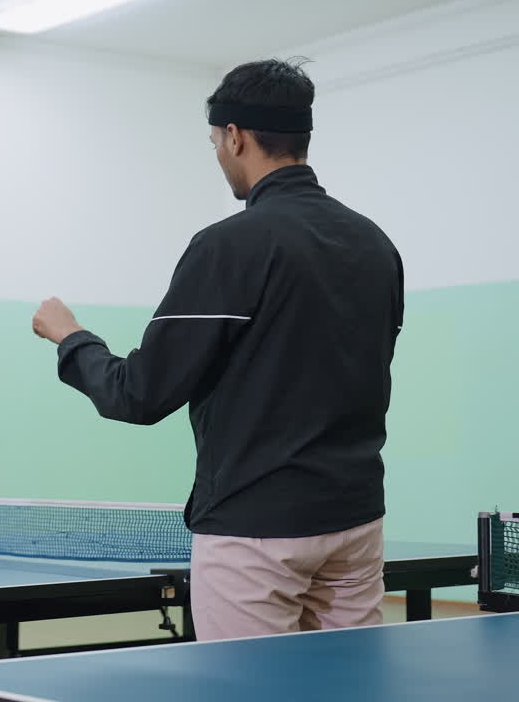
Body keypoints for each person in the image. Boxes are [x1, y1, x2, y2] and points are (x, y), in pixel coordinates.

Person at [31, 59, 402, 641]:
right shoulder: (375, 245)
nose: (218, 155)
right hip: (356, 523)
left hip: (255, 532)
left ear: (235, 136)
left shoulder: (229, 246)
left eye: (214, 142)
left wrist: (70, 338)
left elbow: (140, 394)